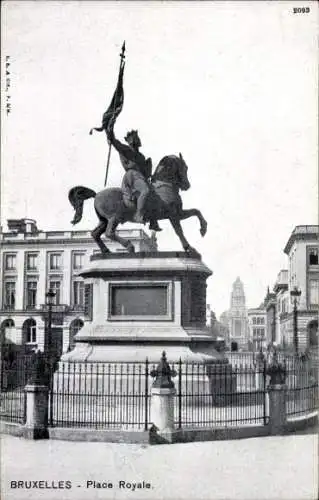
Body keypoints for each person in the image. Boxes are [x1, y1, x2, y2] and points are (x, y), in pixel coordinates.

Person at [107, 128, 161, 231]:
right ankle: (138, 215)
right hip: (132, 176)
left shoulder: (141, 156)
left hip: (140, 177)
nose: (137, 140)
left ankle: (153, 222)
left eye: (137, 138)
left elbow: (146, 172)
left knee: (155, 194)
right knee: (145, 190)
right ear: (130, 140)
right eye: (135, 138)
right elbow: (115, 141)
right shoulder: (125, 149)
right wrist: (109, 132)